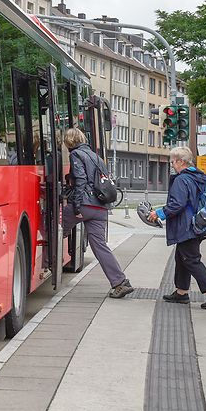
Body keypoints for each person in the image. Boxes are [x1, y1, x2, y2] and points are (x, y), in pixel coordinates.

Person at [146, 146, 206, 309]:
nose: (172, 164)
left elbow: (178, 204)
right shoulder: (198, 176)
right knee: (181, 257)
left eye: (173, 161)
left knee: (190, 259)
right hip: (199, 222)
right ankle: (181, 292)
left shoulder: (182, 179)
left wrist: (159, 213)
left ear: (181, 162)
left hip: (187, 225)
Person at [63, 127, 133, 298]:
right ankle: (120, 282)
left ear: (69, 141)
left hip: (85, 205)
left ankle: (46, 264)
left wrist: (76, 207)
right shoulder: (96, 157)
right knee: (100, 246)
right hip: (101, 207)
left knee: (55, 228)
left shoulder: (76, 155)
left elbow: (81, 180)